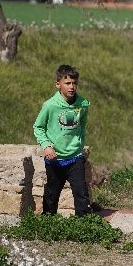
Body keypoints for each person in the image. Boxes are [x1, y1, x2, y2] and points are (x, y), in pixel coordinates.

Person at [33, 64, 91, 216]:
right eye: (67, 83)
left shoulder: (83, 104)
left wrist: (79, 142)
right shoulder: (50, 105)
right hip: (55, 159)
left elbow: (82, 125)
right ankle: (48, 224)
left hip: (75, 157)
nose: (72, 87)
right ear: (58, 84)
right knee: (51, 195)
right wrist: (46, 146)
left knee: (81, 194)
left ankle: (84, 226)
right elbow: (38, 127)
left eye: (74, 83)